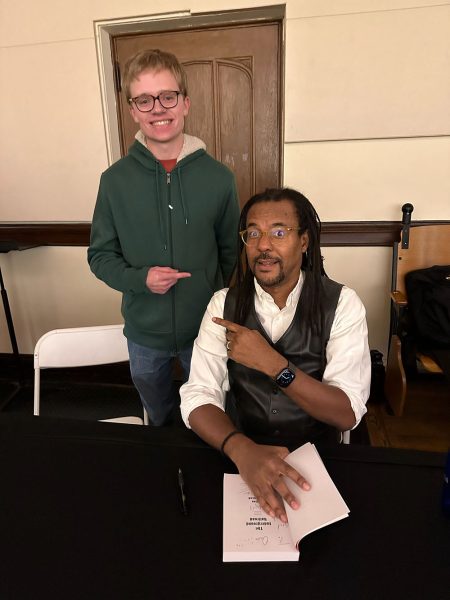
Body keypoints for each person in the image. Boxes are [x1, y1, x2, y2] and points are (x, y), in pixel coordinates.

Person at [180, 187, 371, 521]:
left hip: (319, 454)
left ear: (304, 241)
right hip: (238, 448)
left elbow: (346, 413)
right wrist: (242, 450)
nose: (263, 245)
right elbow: (198, 396)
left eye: (279, 232)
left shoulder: (342, 303)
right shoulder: (222, 304)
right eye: (253, 233)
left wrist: (273, 364)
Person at [88, 49, 239, 425]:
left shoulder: (219, 178)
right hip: (143, 332)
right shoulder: (114, 181)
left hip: (205, 328)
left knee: (210, 414)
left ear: (185, 103)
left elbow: (230, 252)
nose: (158, 108)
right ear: (133, 110)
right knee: (157, 416)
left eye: (167, 96)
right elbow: (100, 256)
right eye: (145, 99)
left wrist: (208, 291)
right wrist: (140, 280)